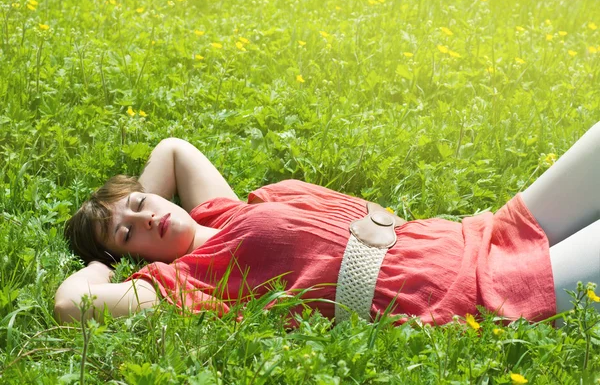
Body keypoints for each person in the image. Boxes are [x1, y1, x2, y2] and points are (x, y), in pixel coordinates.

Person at [54, 125, 600, 327]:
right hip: (470, 291)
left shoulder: (218, 212)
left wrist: (127, 205)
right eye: (130, 232)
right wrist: (107, 262)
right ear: (136, 260)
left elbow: (172, 149)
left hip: (475, 236)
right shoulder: (189, 283)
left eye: (142, 202)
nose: (148, 216)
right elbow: (71, 305)